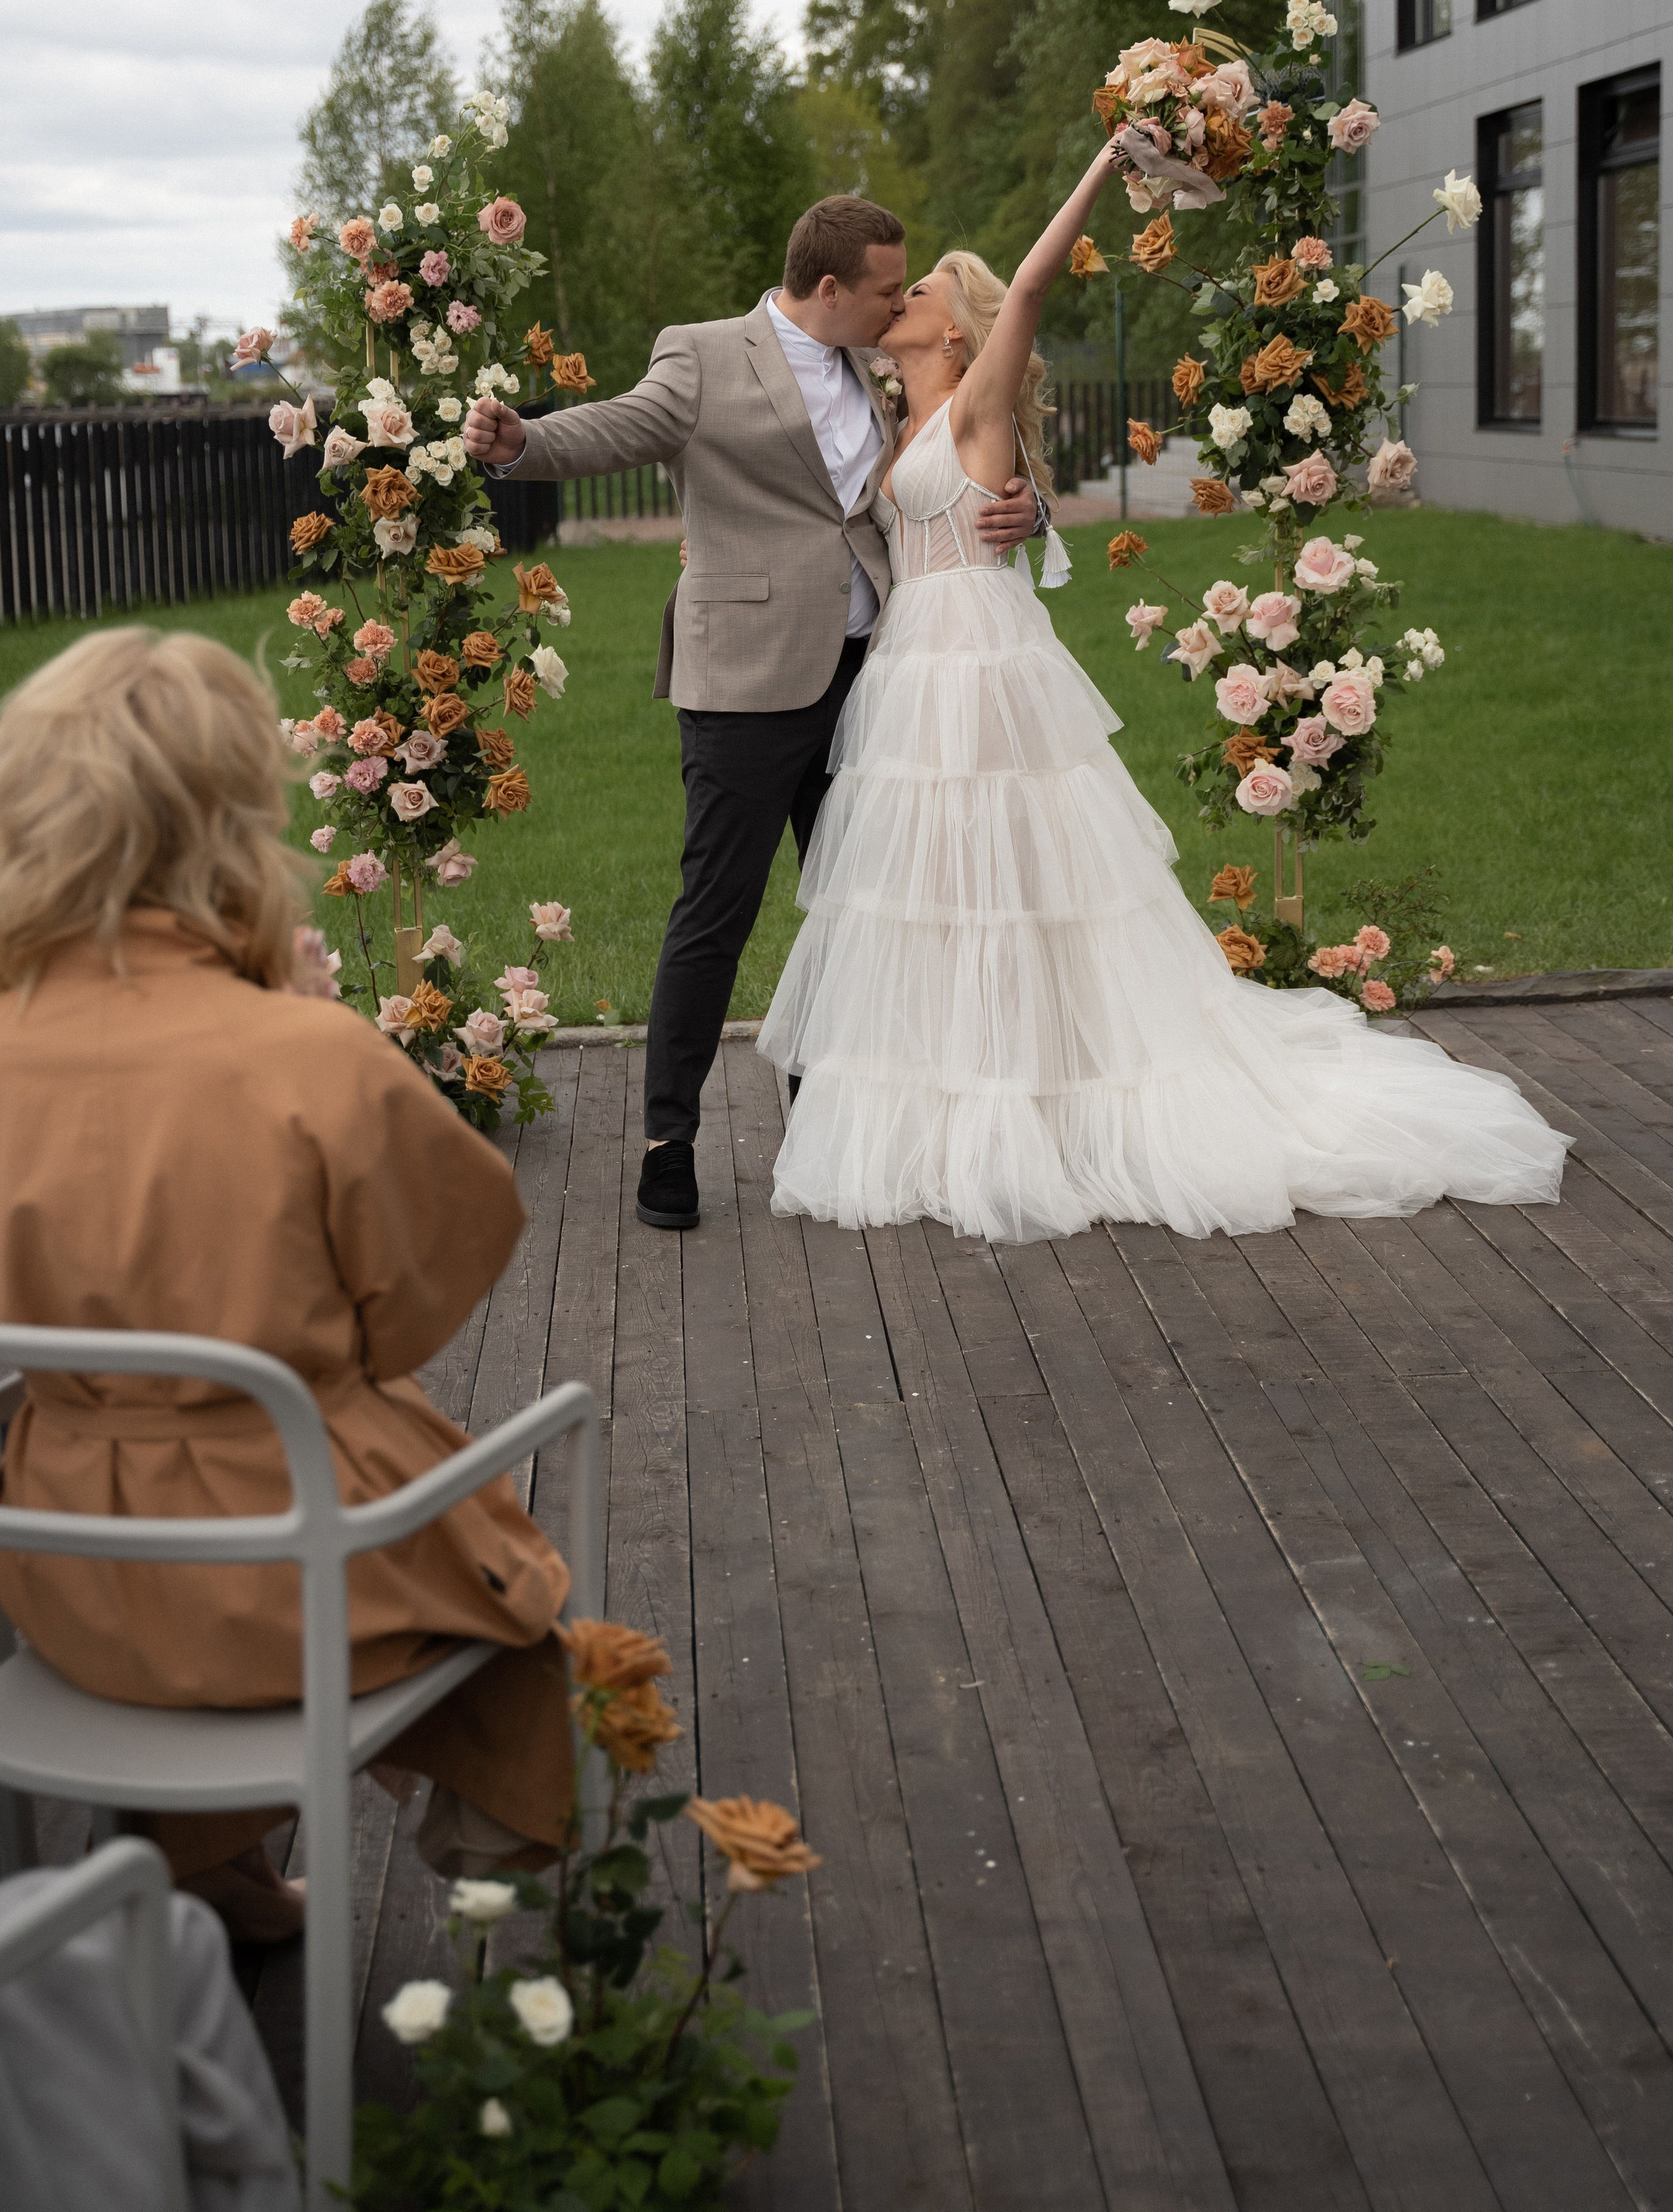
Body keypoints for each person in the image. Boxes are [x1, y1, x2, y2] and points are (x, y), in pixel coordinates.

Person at [757, 146, 1570, 1244]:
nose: (900, 300)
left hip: (981, 661)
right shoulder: (887, 408)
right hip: (910, 668)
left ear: (957, 334)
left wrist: (1105, 163)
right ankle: (957, 1086)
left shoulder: (977, 404)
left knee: (1017, 879)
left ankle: (1041, 1093)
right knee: (936, 889)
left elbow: (1031, 287)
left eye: (924, 291)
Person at [0, 630, 577, 1943]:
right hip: (284, 1576)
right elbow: (413, 1309)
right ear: (229, 824)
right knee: (517, 1605)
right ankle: (516, 1925)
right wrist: (305, 1024)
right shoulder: (303, 1056)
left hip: (63, 1572)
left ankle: (222, 1882)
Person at [463, 195, 1040, 1233]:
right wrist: (521, 445)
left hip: (871, 677)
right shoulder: (701, 355)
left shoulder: (875, 368)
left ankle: (833, 1118)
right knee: (716, 911)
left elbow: (954, 458)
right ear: (829, 287)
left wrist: (1028, 507)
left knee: (857, 909)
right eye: (883, 289)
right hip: (743, 684)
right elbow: (622, 426)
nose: (895, 304)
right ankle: (668, 1141)